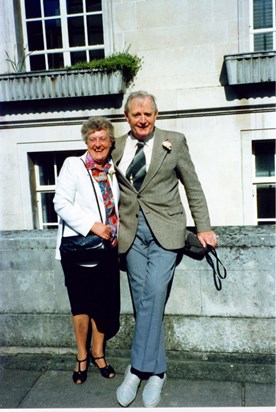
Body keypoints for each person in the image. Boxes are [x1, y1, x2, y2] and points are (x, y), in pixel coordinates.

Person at [112, 91, 217, 407]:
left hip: (167, 232)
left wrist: (204, 226)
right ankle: (156, 371)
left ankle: (140, 370)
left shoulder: (175, 141)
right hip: (130, 235)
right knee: (141, 299)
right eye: (135, 115)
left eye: (148, 114)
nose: (142, 120)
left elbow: (192, 186)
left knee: (154, 293)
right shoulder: (115, 146)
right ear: (127, 117)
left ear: (156, 115)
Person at [53, 116, 120, 385]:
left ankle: (98, 353)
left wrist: (115, 232)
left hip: (107, 250)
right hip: (79, 248)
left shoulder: (113, 169)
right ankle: (82, 357)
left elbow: (116, 207)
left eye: (103, 138)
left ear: (110, 142)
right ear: (86, 142)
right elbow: (60, 203)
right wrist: (93, 226)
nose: (98, 143)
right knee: (81, 305)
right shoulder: (74, 165)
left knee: (102, 304)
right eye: (92, 139)